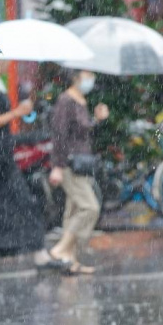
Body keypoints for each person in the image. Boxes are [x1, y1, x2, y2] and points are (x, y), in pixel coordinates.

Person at [0, 60, 64, 269]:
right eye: (0, 59)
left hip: (1, 153)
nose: (5, 63)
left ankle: (37, 252)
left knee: (17, 201)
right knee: (0, 201)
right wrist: (16, 113)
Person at [48, 69, 107, 275]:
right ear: (75, 76)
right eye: (87, 74)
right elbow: (59, 134)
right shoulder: (66, 100)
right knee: (89, 208)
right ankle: (60, 249)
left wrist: (97, 120)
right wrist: (57, 165)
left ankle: (70, 260)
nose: (90, 78)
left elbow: (82, 132)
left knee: (73, 211)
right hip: (69, 164)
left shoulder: (80, 100)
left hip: (82, 163)